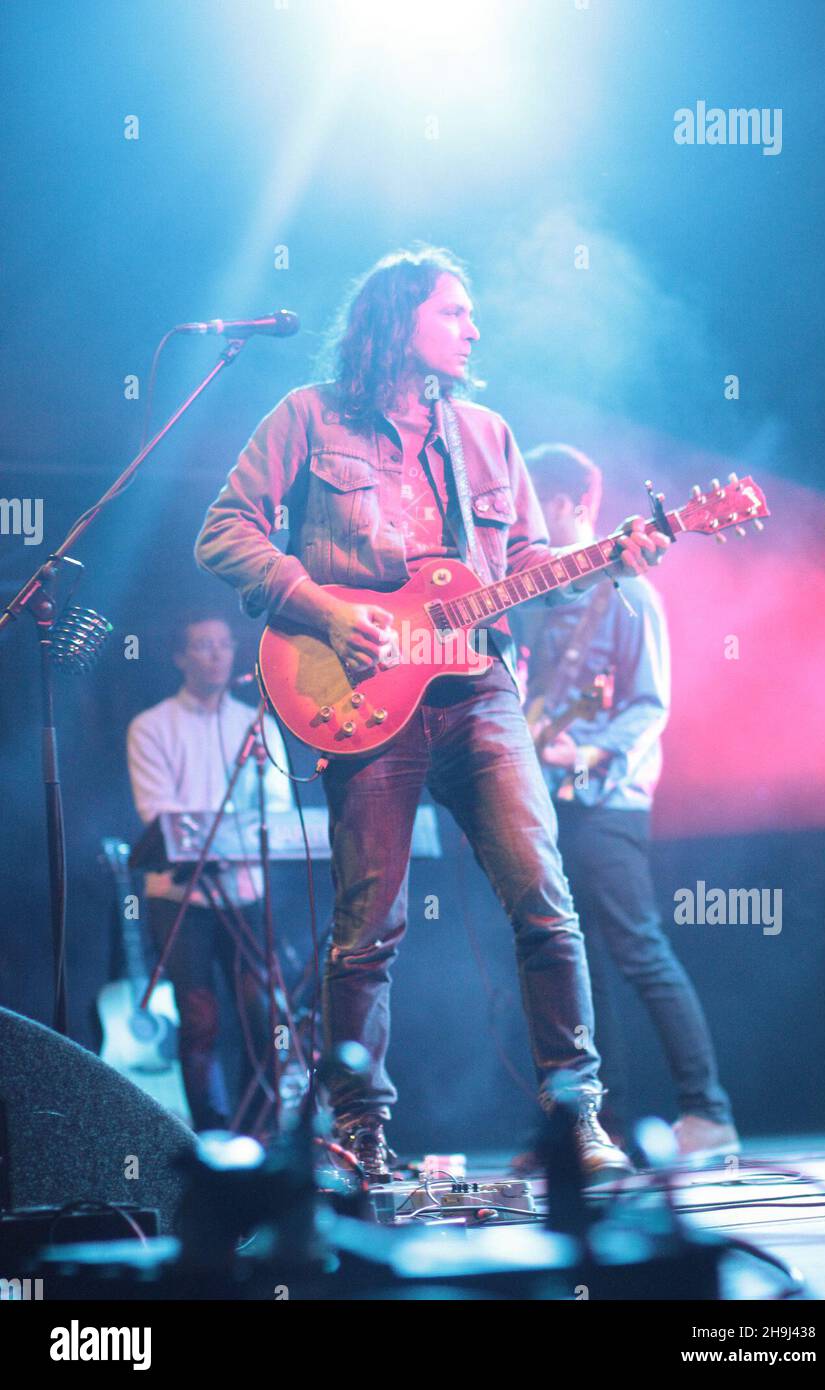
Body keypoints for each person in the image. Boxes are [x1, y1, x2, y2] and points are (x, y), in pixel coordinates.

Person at [193, 245, 669, 1181]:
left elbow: (526, 565)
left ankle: (576, 1118)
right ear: (397, 318)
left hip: (479, 690)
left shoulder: (487, 434)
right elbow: (224, 530)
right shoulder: (308, 417)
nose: (474, 328)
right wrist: (328, 611)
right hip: (361, 696)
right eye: (455, 311)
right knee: (367, 927)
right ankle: (357, 1133)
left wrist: (610, 557)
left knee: (545, 899)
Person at [518, 443, 739, 1160]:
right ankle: (592, 1129)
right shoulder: (538, 590)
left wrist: (578, 753)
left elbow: (650, 706)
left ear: (570, 504)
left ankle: (708, 1114)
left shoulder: (630, 590)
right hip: (548, 798)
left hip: (607, 798)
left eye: (533, 503)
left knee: (639, 948)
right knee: (568, 959)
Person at [126, 609, 291, 1132]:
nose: (216, 654)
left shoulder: (256, 722)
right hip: (181, 899)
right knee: (200, 1023)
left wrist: (228, 838)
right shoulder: (151, 726)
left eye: (222, 644)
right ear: (180, 657)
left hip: (245, 892)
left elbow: (280, 806)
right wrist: (219, 835)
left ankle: (259, 1134)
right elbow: (161, 818)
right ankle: (212, 1138)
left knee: (264, 1018)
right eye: (203, 645)